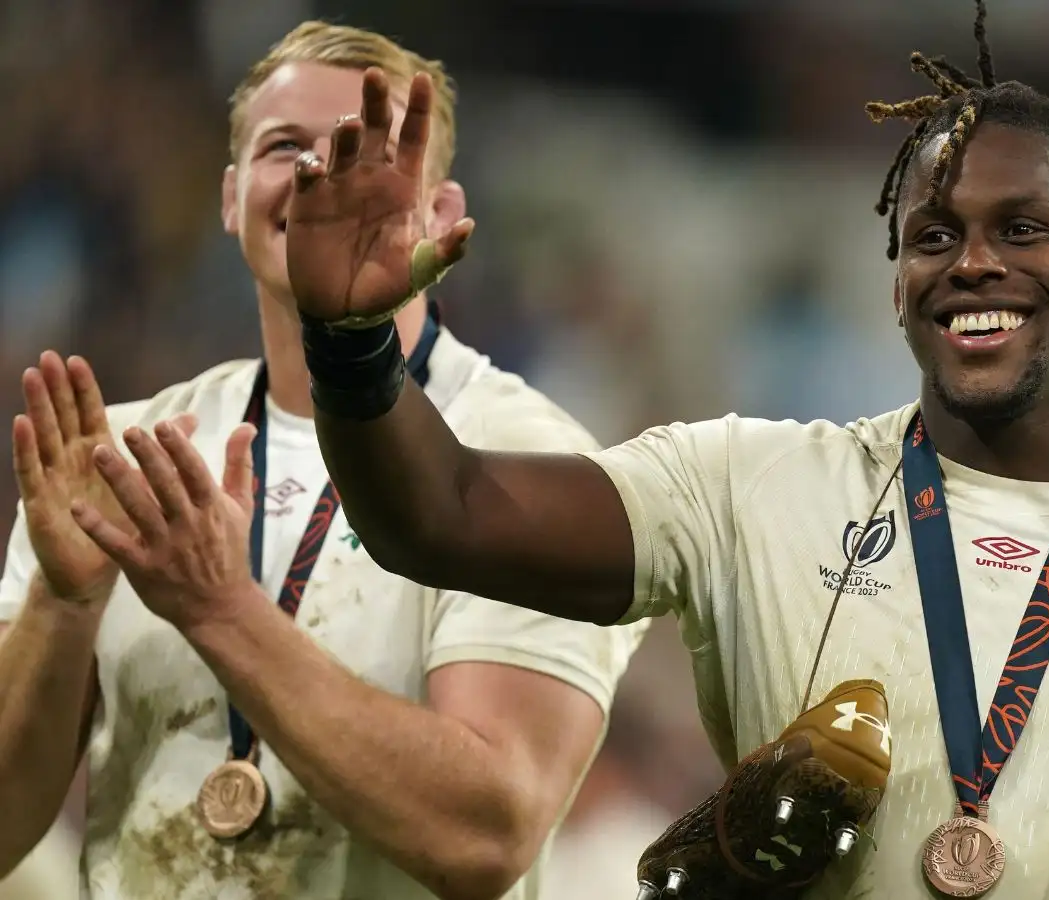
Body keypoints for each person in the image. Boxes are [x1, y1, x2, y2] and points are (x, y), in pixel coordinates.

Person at [275, 2, 1049, 898]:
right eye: (932, 237)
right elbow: (445, 514)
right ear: (897, 279)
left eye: (1023, 229)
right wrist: (353, 339)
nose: (972, 263)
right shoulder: (747, 487)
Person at [0, 21, 645, 900]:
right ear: (229, 199)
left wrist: (224, 612)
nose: (317, 173)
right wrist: (62, 603)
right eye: (284, 147)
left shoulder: (533, 464)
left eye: (359, 151)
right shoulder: (121, 457)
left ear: (441, 215)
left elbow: (485, 836)